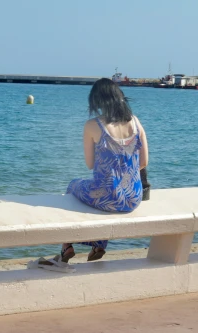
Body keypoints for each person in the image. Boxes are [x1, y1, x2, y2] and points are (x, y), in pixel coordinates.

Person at [33, 78, 149, 272]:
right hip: (132, 198)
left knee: (73, 186)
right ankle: (98, 245)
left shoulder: (92, 125)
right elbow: (144, 162)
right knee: (107, 194)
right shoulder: (135, 122)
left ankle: (66, 246)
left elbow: (90, 164)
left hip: (107, 196)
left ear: (97, 101)